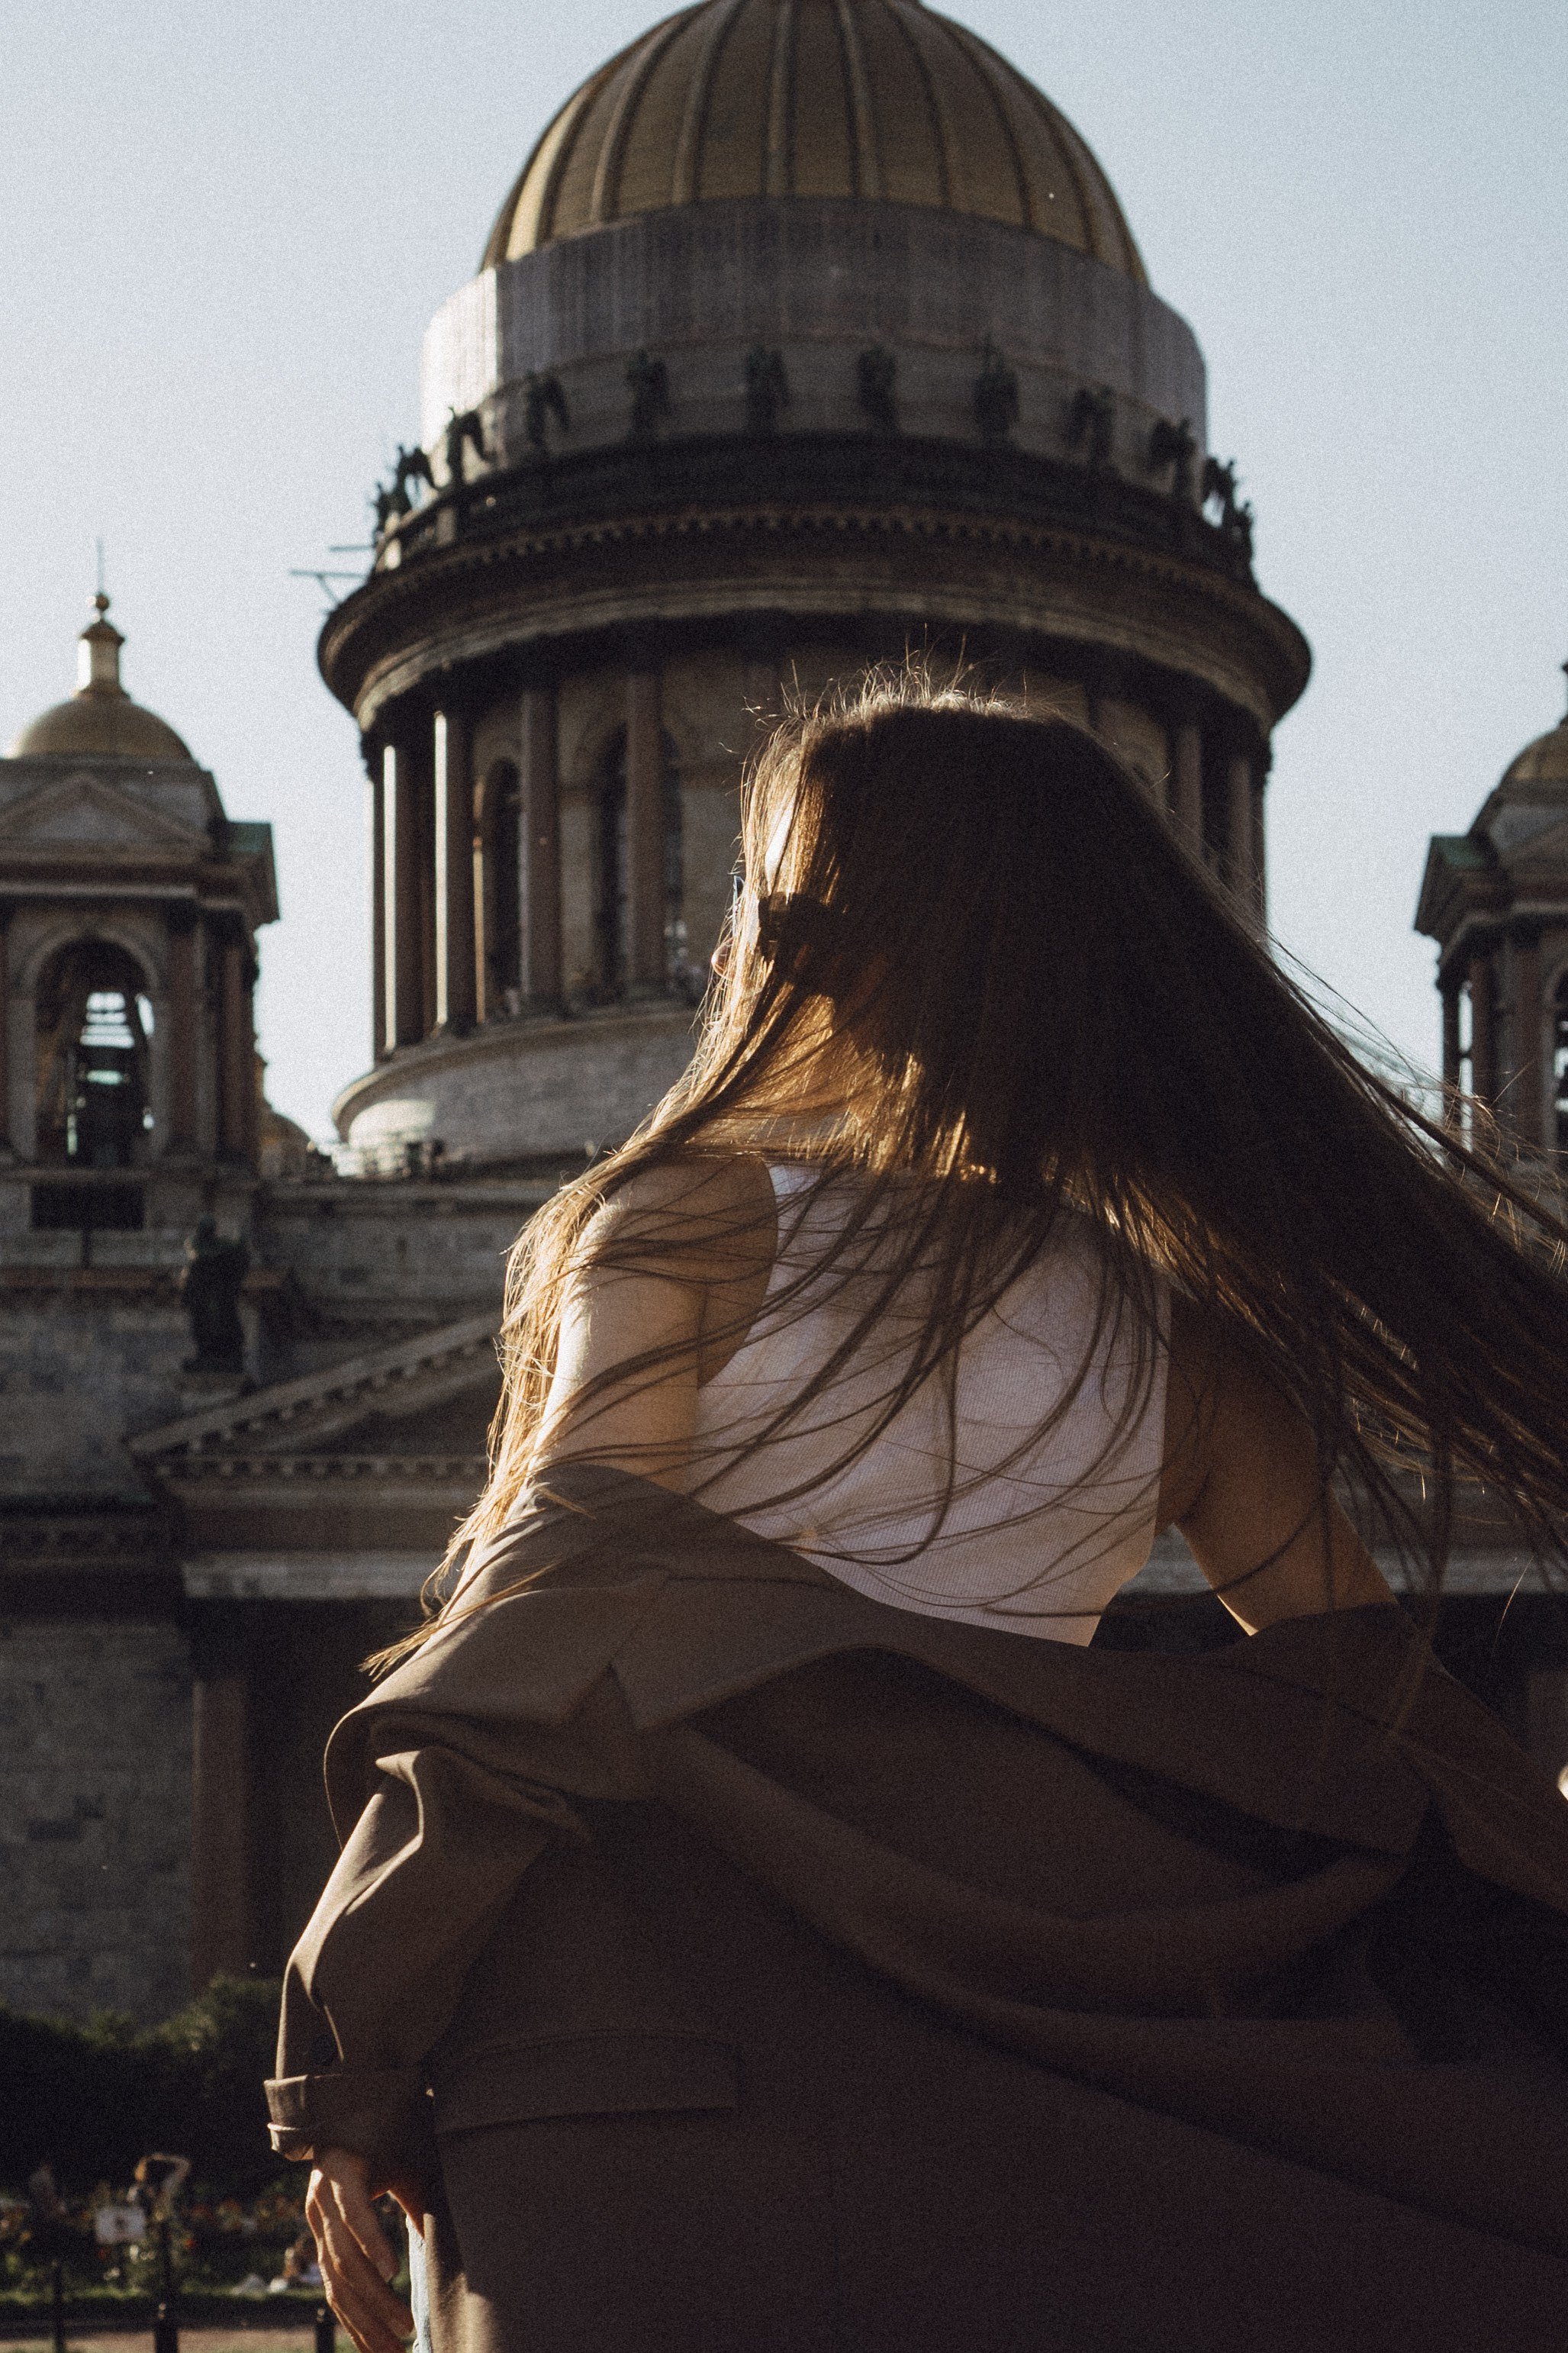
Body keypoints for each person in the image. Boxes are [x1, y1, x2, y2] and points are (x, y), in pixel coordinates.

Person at [273, 682, 1568, 2353]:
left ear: (844, 931)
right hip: (1016, 2037)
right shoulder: (1178, 1322)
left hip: (647, 2034)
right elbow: (1376, 1717)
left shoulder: (683, 1220)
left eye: (778, 886)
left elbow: (548, 1623)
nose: (747, 926)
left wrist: (350, 2027)